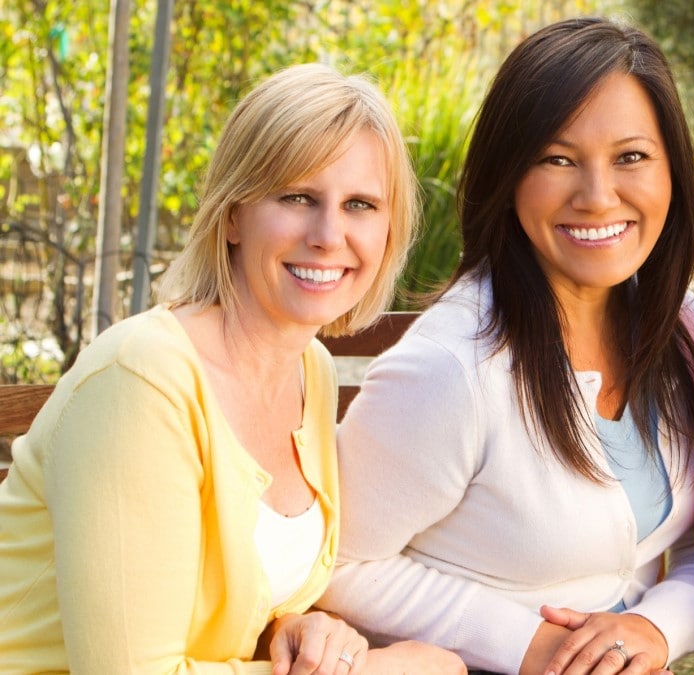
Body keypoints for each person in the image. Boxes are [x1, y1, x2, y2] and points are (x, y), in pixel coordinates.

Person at [0, 63, 465, 674]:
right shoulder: (142, 380)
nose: (330, 234)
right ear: (234, 214)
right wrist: (384, 670)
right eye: (298, 197)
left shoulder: (311, 372)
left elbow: (228, 595)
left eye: (360, 204)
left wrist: (298, 630)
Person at [316, 17, 694, 675]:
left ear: (673, 169)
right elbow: (336, 561)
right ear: (510, 176)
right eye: (557, 159)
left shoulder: (682, 331)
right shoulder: (453, 368)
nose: (597, 196)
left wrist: (654, 625)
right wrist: (526, 643)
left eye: (631, 157)